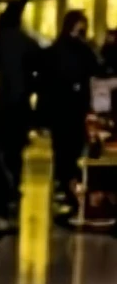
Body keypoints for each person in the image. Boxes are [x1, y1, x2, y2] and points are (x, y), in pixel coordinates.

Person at [40, 10, 99, 204]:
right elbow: (95, 67)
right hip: (73, 109)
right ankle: (71, 188)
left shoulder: (55, 49)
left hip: (61, 110)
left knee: (63, 152)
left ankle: (68, 187)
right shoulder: (82, 50)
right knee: (72, 151)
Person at [0, 1, 42, 204]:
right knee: (17, 147)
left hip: (2, 101)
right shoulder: (26, 41)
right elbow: (40, 63)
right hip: (21, 101)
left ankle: (5, 187)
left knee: (3, 145)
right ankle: (16, 182)